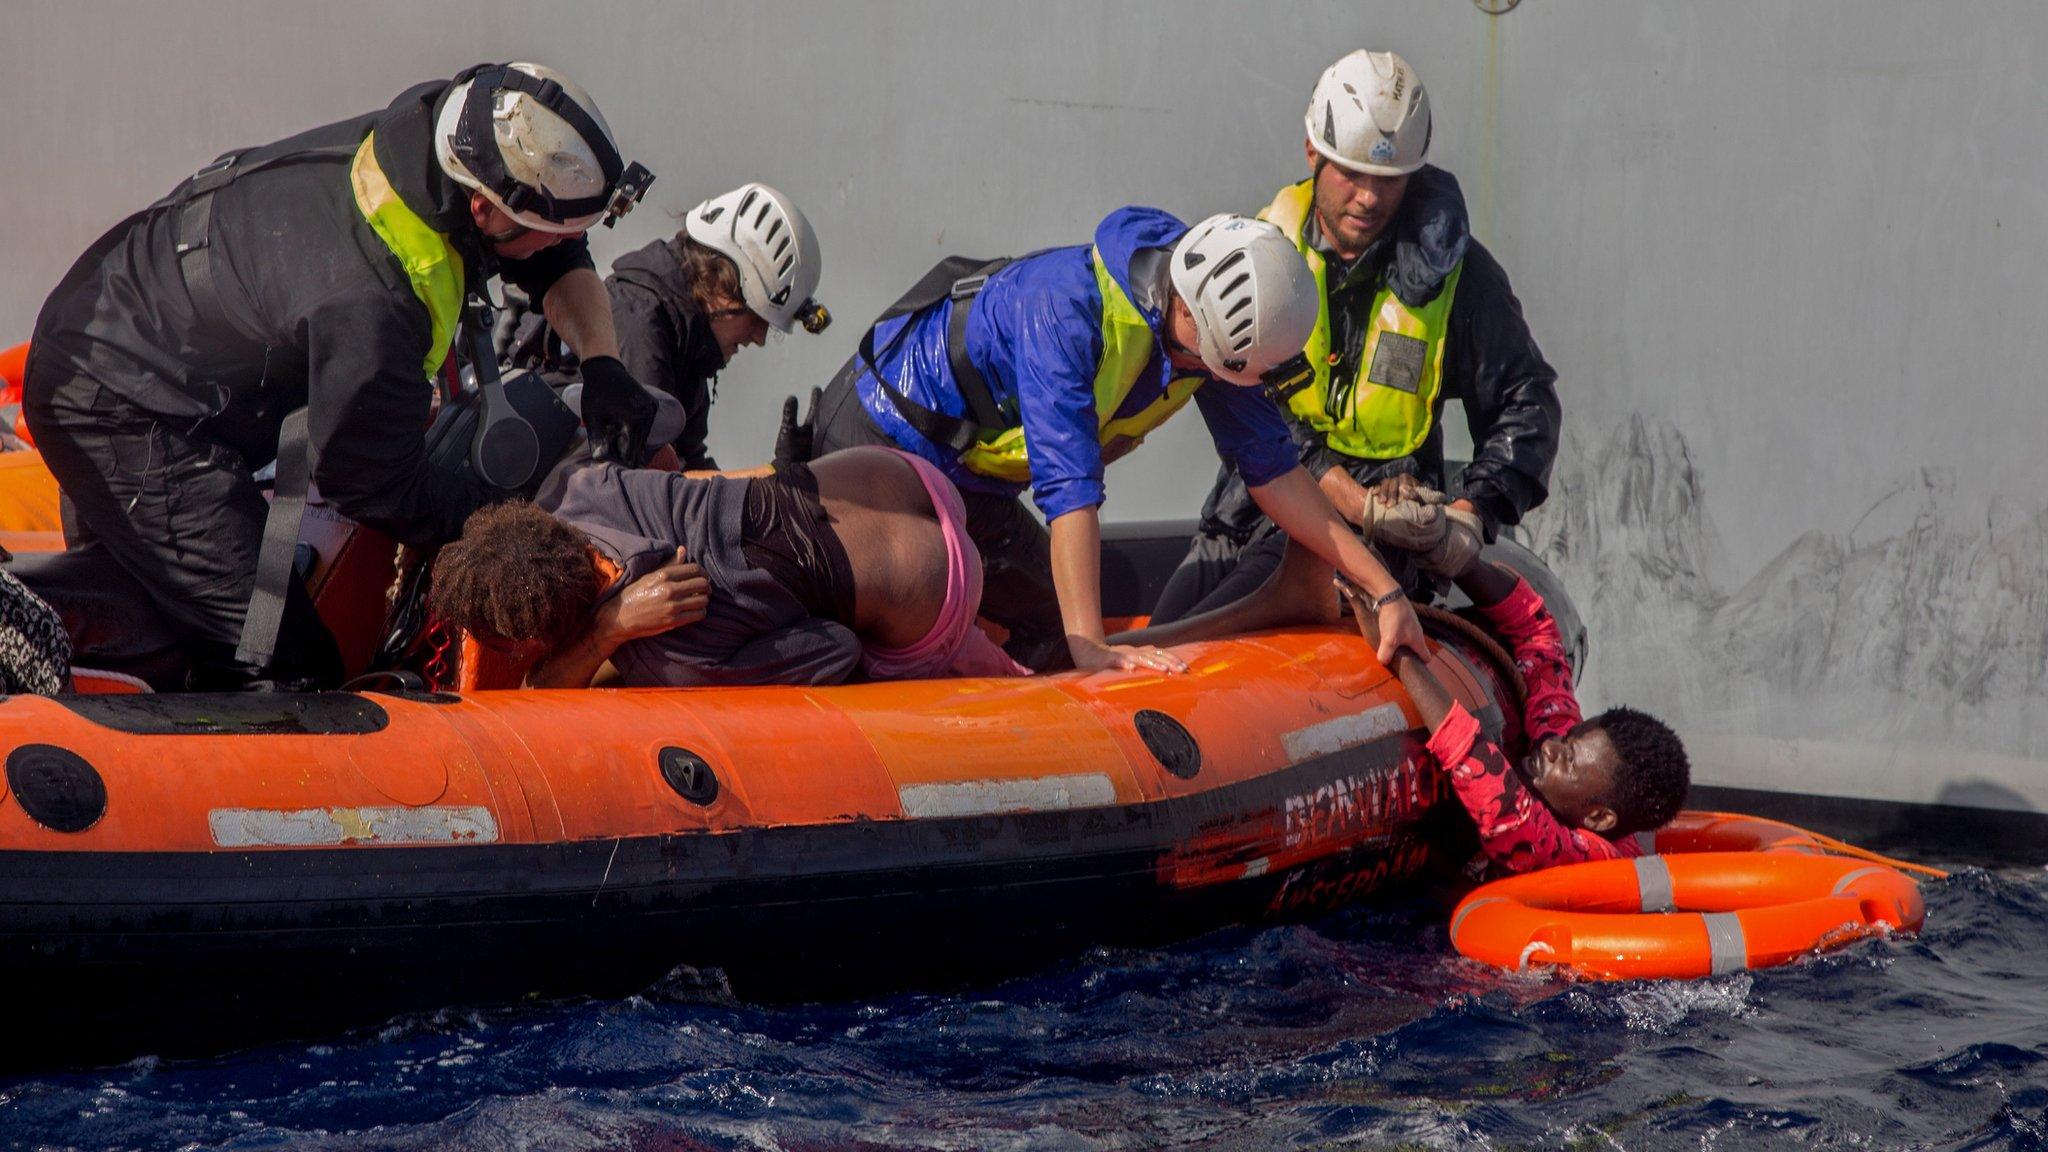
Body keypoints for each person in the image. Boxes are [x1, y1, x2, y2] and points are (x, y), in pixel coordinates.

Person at [21, 62, 659, 690]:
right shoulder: (378, 298)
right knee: (281, 662)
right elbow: (370, 481)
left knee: (155, 609)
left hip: (153, 346)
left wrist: (602, 363)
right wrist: (522, 523)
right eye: (551, 232)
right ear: (485, 212)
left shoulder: (442, 135)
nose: (563, 245)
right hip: (119, 402)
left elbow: (553, 253)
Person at [807, 208, 1427, 673]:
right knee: (896, 607)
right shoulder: (1065, 315)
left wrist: (1384, 588)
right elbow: (1069, 490)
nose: (1222, 383)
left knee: (1046, 623)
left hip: (970, 475)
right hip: (877, 441)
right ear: (1188, 318)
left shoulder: (1212, 328)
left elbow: (1275, 473)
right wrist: (1092, 650)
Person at [1152, 49, 1562, 625]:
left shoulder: (1460, 276)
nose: (1370, 198)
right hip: (1251, 506)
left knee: (1196, 645)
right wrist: (1346, 495)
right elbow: (1243, 394)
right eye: (1353, 173)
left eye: (1389, 180)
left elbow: (1527, 402)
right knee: (1168, 632)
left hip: (1383, 540)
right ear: (1312, 153)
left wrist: (1472, 514)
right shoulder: (1265, 253)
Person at [427, 447, 1027, 689]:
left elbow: (835, 647)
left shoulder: (673, 651)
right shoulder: (590, 485)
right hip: (905, 477)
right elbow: (691, 474)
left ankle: (995, 659)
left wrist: (609, 631)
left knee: (868, 648)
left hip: (938, 590)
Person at [1341, 524, 1690, 874]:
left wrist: (1399, 653)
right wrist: (1455, 557)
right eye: (1569, 738)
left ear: (1598, 817)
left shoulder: (1586, 861)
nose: (1552, 746)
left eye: (1568, 760)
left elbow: (1505, 807)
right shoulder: (1559, 756)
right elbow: (1538, 637)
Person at [502, 183, 829, 471]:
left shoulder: (687, 344)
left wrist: (781, 478)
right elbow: (666, 483)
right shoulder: (641, 325)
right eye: (758, 320)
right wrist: (777, 481)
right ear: (725, 286)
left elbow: (691, 468)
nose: (758, 338)